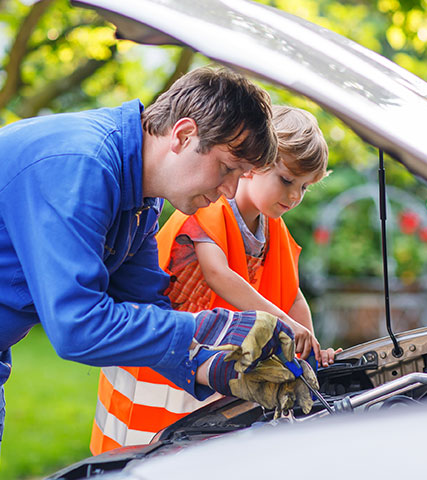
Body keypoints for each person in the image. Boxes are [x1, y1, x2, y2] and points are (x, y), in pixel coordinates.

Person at [0, 66, 317, 455]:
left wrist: (213, 366)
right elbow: (77, 325)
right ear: (183, 135)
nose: (230, 190)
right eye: (227, 169)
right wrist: (216, 328)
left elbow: (145, 305)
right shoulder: (85, 167)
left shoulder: (140, 198)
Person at [92, 106, 339, 453]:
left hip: (210, 362)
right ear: (254, 166)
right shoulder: (209, 204)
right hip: (162, 354)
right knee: (140, 451)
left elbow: (291, 293)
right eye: (287, 180)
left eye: (304, 187)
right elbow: (218, 274)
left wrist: (310, 344)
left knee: (196, 450)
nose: (295, 196)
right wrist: (283, 322)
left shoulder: (274, 228)